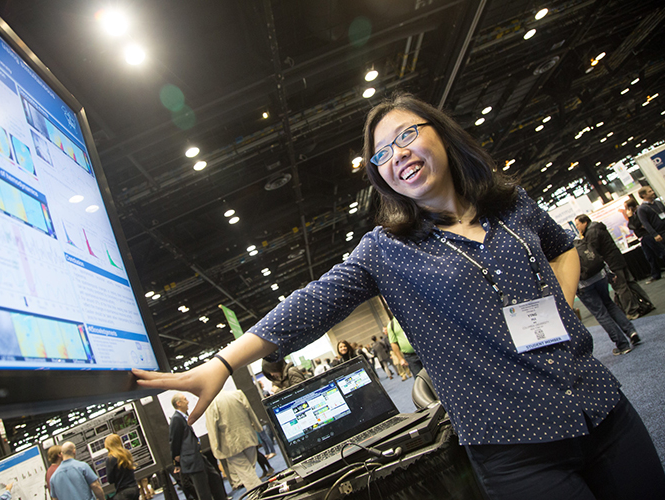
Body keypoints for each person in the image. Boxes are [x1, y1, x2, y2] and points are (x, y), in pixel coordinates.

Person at [134, 93, 665, 499]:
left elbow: (563, 246)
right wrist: (224, 363)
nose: (396, 155)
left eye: (406, 134)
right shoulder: (386, 250)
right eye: (382, 154)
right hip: (518, 449)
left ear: (442, 134)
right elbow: (311, 303)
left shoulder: (511, 203)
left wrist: (563, 300)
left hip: (604, 408)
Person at [574, 214, 652, 319]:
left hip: (611, 263)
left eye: (578, 224)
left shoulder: (591, 232)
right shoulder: (598, 227)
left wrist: (583, 240)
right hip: (618, 258)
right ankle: (647, 303)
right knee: (631, 282)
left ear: (585, 222)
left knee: (621, 287)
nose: (577, 227)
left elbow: (593, 251)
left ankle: (632, 311)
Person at [574, 238, 641, 355]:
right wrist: (609, 272)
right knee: (609, 304)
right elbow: (598, 256)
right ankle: (631, 332)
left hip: (583, 284)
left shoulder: (560, 249)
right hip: (600, 276)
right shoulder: (579, 241)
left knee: (601, 313)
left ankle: (622, 345)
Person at [169, 393, 227, 500]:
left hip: (197, 457)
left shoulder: (182, 417)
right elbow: (174, 441)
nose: (188, 402)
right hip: (191, 459)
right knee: (203, 490)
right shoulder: (176, 419)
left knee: (214, 478)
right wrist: (176, 460)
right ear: (179, 403)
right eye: (185, 399)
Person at [205, 390, 264, 492]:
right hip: (248, 437)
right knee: (249, 470)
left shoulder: (211, 403)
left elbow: (212, 427)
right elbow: (250, 411)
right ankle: (256, 493)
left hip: (230, 444)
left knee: (246, 471)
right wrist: (258, 427)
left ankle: (260, 493)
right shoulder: (237, 393)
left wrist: (216, 448)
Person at [626, 198, 665, 283]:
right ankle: (655, 274)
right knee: (650, 257)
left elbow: (636, 224)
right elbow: (630, 226)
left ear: (630, 207)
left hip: (648, 236)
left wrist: (631, 217)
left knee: (661, 253)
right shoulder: (635, 215)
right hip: (643, 238)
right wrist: (631, 218)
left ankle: (656, 274)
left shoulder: (640, 211)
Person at [104, 434, 139, 500]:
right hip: (134, 488)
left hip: (123, 492)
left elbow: (110, 480)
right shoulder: (126, 453)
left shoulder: (110, 459)